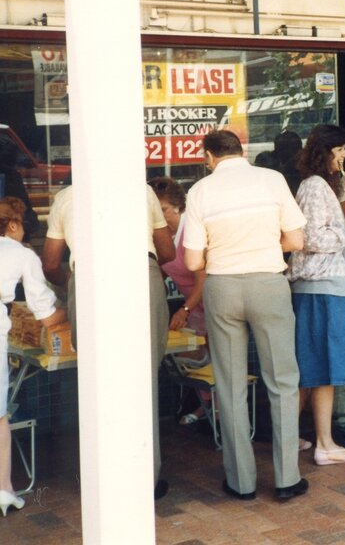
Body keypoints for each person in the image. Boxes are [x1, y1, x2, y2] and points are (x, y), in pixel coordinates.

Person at [184, 129, 309, 502]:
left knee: (230, 383)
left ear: (209, 157)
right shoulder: (272, 180)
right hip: (268, 282)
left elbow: (192, 260)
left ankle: (241, 482)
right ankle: (287, 479)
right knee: (283, 381)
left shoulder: (200, 191)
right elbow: (296, 241)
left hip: (221, 286)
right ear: (243, 152)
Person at [41, 183, 174, 499]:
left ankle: (105, 478)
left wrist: (72, 282)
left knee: (98, 384)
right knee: (144, 380)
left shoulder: (66, 197)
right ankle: (147, 479)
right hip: (141, 272)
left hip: (88, 275)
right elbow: (167, 251)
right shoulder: (142, 191)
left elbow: (49, 264)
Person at [286, 125, 345, 468]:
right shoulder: (315, 186)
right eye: (341, 150)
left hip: (320, 287)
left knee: (313, 369)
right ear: (327, 151)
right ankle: (325, 444)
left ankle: (295, 439)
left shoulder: (317, 186)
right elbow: (309, 238)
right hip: (322, 288)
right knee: (323, 369)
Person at [0, 197, 66, 516]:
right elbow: (46, 315)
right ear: (12, 224)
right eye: (23, 223)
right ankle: (4, 490)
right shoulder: (20, 254)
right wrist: (74, 308)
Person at [148, 176, 212, 425]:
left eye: (164, 209)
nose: (161, 216)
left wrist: (183, 310)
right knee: (194, 359)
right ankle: (203, 407)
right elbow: (159, 275)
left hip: (209, 301)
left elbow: (203, 279)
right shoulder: (159, 238)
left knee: (217, 360)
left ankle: (213, 412)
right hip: (193, 306)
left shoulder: (190, 230)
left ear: (178, 206)